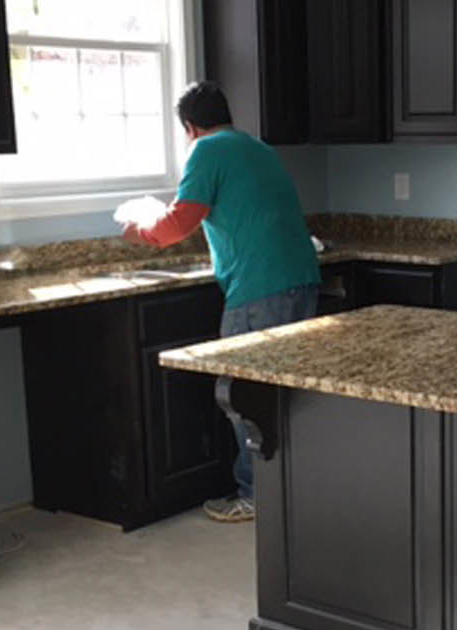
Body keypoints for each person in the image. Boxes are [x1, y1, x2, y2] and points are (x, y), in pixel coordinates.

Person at [124, 81, 321, 523]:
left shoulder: (206, 152)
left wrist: (138, 229)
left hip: (259, 288)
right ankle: (290, 491)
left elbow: (177, 225)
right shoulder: (258, 149)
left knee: (241, 392)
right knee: (284, 395)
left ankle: (255, 494)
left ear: (190, 127)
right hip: (300, 280)